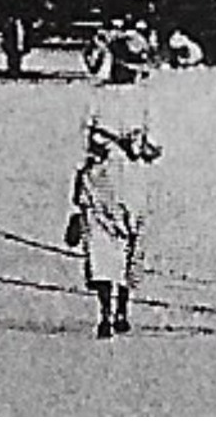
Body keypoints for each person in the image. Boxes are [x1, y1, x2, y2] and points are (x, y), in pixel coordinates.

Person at [71, 122, 150, 340]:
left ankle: (110, 315)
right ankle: (116, 314)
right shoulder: (121, 169)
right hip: (112, 223)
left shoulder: (95, 170)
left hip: (106, 223)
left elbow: (78, 198)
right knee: (120, 269)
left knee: (105, 271)